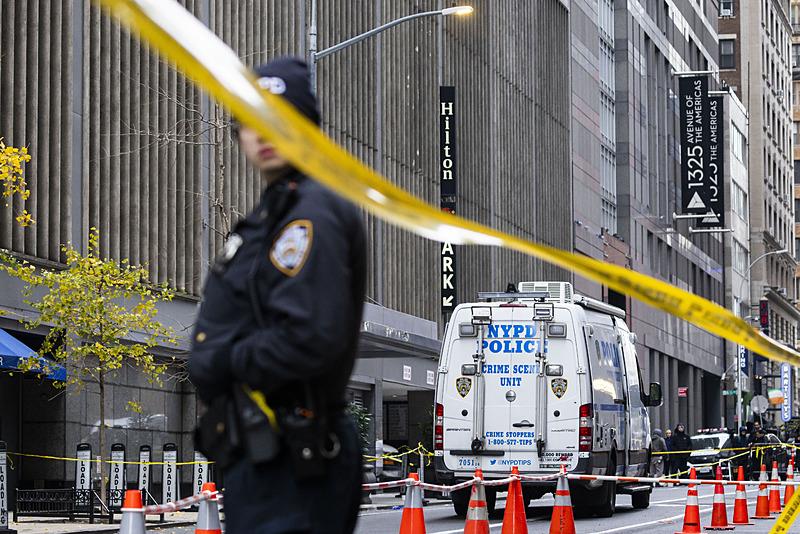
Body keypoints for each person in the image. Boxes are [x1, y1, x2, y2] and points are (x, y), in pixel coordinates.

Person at [189, 57, 367, 534]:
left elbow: (308, 334)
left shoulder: (311, 212)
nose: (264, 132)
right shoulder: (275, 213)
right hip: (269, 454)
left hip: (294, 456)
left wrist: (224, 359)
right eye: (252, 120)